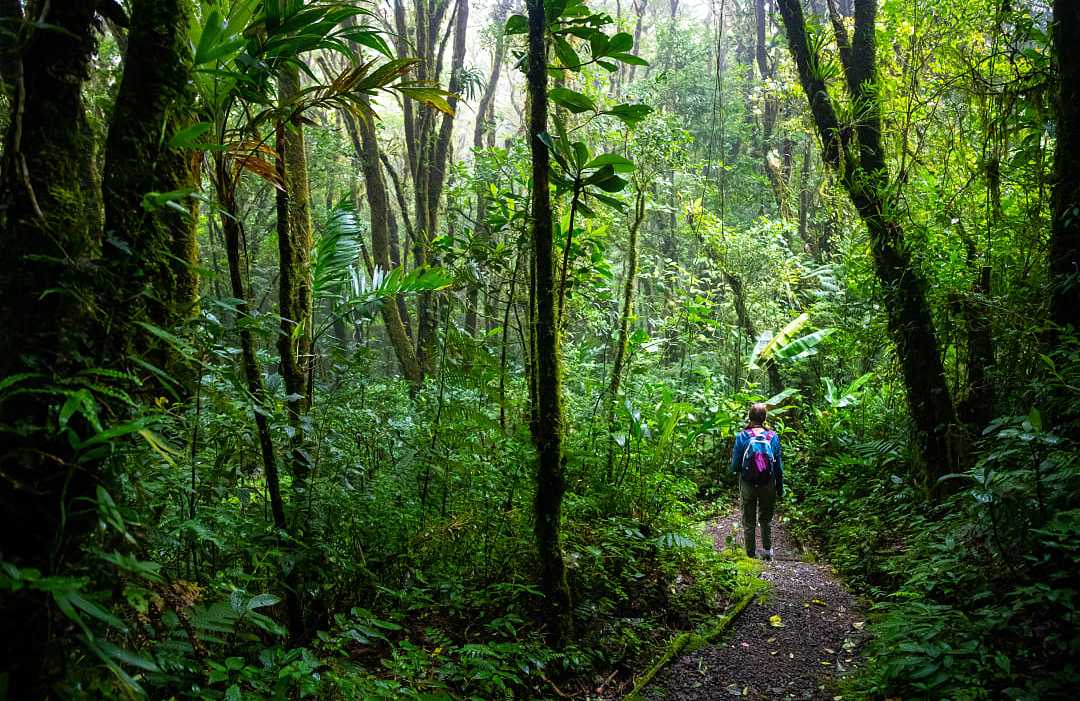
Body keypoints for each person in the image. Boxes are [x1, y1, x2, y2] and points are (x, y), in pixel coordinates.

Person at [730, 402, 783, 560]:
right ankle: (767, 552)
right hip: (768, 483)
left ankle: (751, 555)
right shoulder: (772, 437)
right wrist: (780, 487)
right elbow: (778, 466)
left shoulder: (742, 436)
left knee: (749, 520)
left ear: (749, 417)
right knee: (766, 520)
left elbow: (735, 466)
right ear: (765, 418)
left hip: (748, 484)